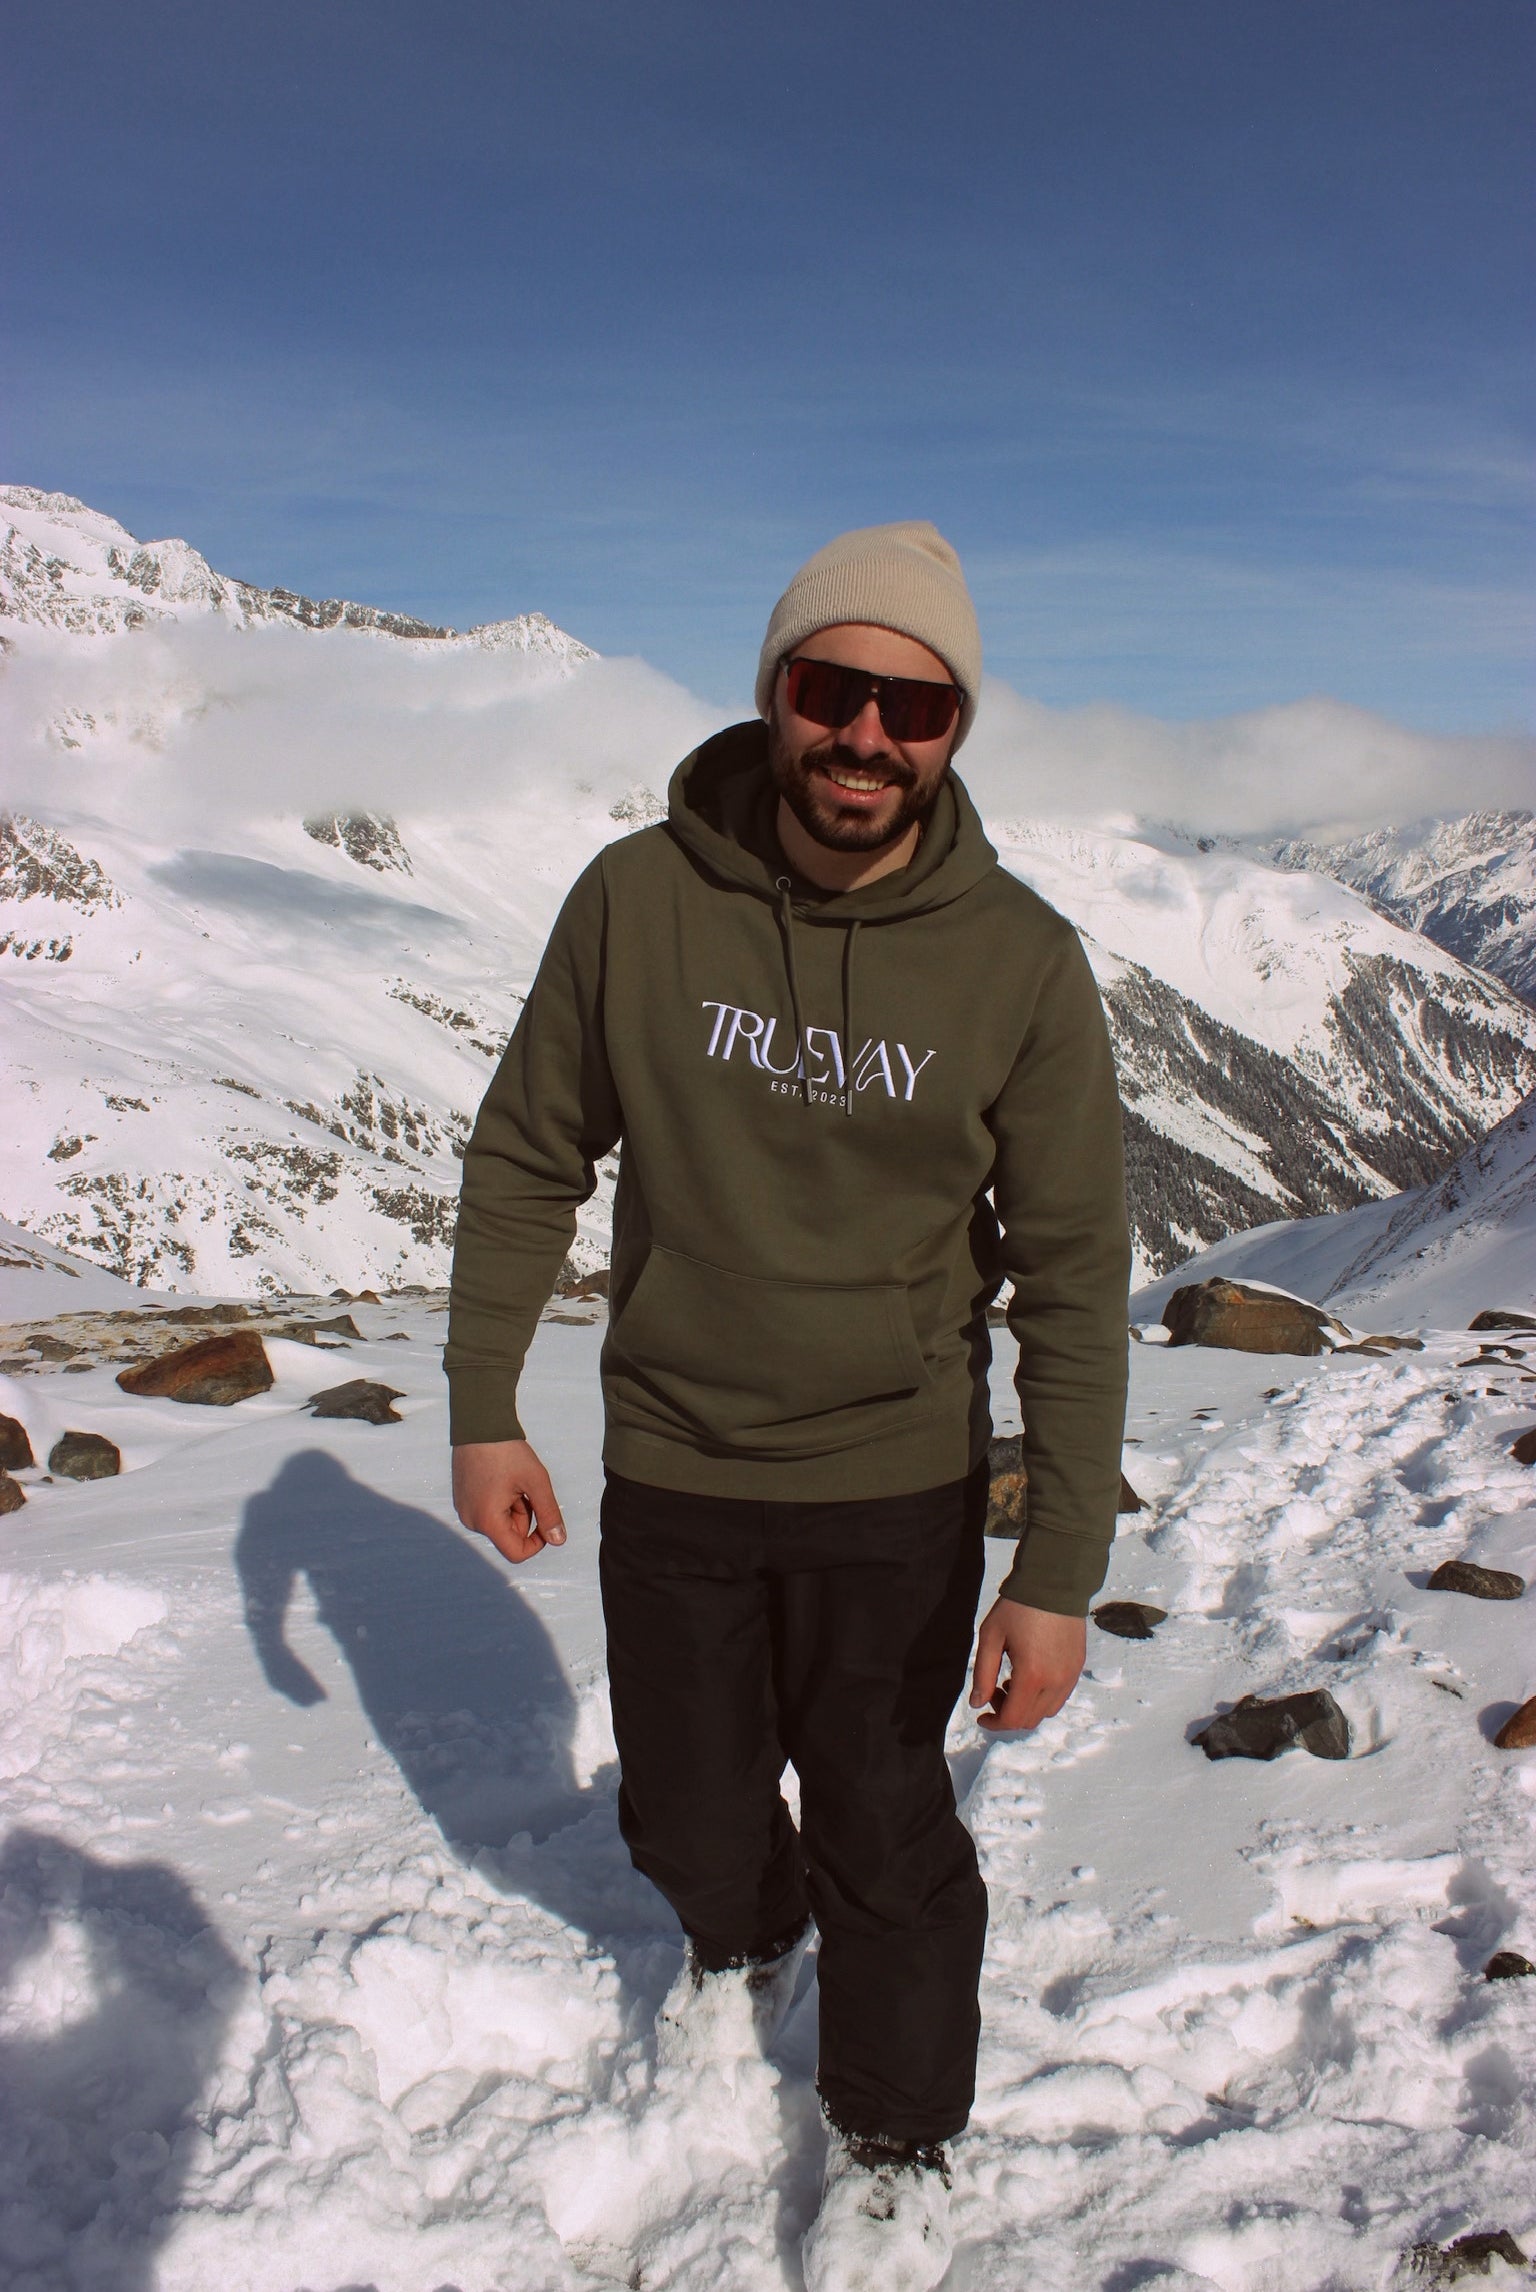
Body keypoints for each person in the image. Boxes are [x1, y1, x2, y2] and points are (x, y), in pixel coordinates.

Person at [447, 522, 1130, 2290]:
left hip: (894, 1482)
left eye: (918, 706)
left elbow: (1073, 1281)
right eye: (834, 689)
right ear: (774, 695)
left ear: (956, 730)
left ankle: (896, 2139)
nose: (868, 736)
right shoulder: (635, 900)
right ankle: (744, 1940)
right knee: (684, 1811)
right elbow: (528, 1155)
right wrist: (483, 1401)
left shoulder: (1020, 963)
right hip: (677, 1458)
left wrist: (1056, 1568)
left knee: (885, 1829)